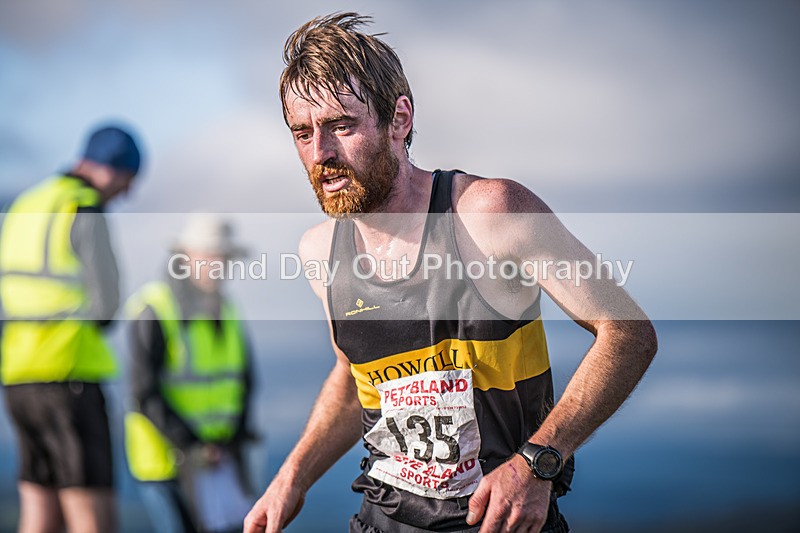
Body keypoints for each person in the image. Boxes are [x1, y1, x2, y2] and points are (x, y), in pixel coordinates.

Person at [245, 12, 658, 533]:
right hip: (381, 520)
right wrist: (293, 477)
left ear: (399, 119)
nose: (321, 153)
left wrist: (539, 463)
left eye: (341, 126)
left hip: (501, 520)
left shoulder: (489, 214)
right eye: (302, 133)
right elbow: (355, 379)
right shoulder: (319, 251)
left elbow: (627, 332)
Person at [0, 124, 142, 532]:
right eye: (128, 182)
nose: (126, 194)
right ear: (113, 170)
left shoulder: (25, 204)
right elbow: (107, 303)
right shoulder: (83, 206)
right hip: (70, 376)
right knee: (91, 515)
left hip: (18, 377)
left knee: (37, 508)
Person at [125, 213, 255, 533]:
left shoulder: (228, 310)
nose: (218, 266)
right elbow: (143, 392)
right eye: (210, 256)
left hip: (219, 462)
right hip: (166, 462)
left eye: (223, 257)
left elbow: (245, 383)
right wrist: (193, 445)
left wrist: (231, 440)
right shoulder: (154, 308)